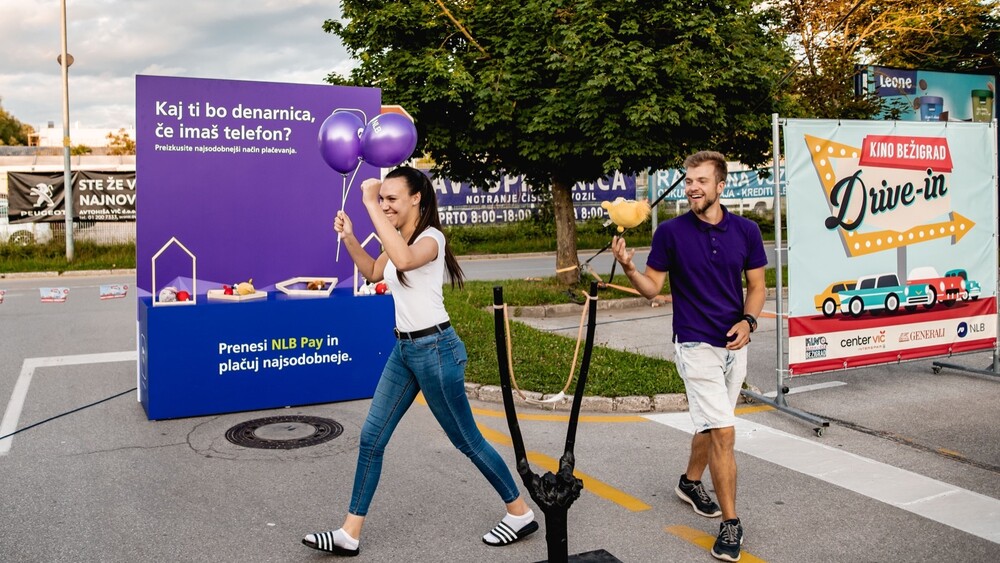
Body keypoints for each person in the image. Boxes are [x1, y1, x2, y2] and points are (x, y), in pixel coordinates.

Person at [302, 166, 537, 556]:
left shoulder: (431, 239)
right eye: (382, 199)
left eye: (391, 199)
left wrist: (367, 203)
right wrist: (349, 237)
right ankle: (350, 533)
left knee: (466, 440)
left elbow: (406, 261)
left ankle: (519, 512)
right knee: (371, 438)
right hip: (405, 351)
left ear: (417, 198)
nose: (385, 205)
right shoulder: (399, 239)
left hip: (436, 350)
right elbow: (373, 270)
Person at [611, 151, 766, 562]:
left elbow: (757, 285)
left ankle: (689, 481)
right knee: (724, 431)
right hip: (695, 343)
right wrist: (628, 267)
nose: (693, 187)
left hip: (735, 342)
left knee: (713, 423)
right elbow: (652, 289)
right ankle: (731, 524)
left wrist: (749, 322)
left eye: (701, 180)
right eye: (688, 180)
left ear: (720, 185)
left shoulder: (747, 231)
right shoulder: (671, 233)